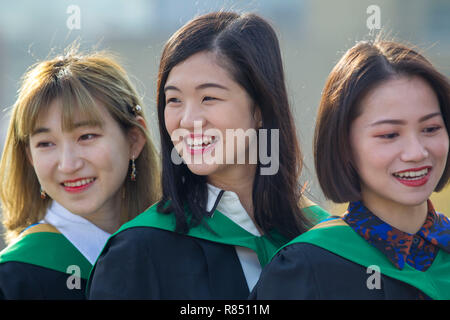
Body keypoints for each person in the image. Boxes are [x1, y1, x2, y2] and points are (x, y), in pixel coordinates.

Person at [87, 11, 329, 300]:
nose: (188, 120)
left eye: (209, 98)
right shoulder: (138, 252)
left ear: (261, 107)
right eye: (173, 99)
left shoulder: (322, 238)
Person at [250, 39, 450, 300]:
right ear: (343, 145)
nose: (416, 153)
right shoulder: (306, 270)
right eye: (389, 135)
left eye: (431, 129)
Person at [0, 45, 161, 299]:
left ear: (134, 140)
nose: (67, 164)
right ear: (30, 157)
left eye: (86, 136)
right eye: (46, 143)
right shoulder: (13, 280)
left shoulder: (180, 251)